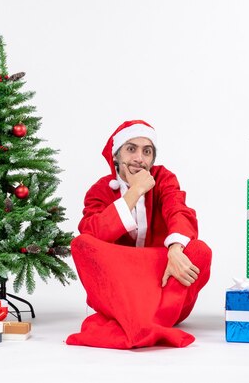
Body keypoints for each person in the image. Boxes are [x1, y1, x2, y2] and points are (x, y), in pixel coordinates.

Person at [66, 120, 212, 349]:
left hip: (163, 281)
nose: (139, 158)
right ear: (116, 155)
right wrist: (135, 191)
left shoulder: (164, 178)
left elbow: (179, 211)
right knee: (81, 243)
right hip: (122, 288)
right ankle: (146, 325)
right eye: (131, 149)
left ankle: (149, 322)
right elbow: (93, 234)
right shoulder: (100, 191)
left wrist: (175, 250)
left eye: (147, 151)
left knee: (199, 250)